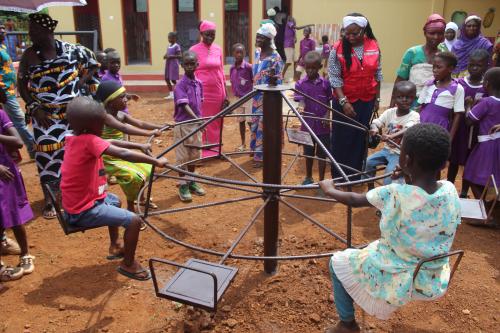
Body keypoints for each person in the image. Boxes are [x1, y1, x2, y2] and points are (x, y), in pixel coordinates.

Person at [320, 123, 461, 333]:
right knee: (371, 246)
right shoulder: (450, 190)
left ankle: (347, 324)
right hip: (431, 271)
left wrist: (330, 190)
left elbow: (355, 199)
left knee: (337, 262)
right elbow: (420, 197)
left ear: (406, 160)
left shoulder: (395, 193)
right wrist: (407, 176)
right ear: (443, 163)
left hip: (399, 270)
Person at [61, 96, 169, 280]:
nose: (104, 128)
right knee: (134, 221)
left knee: (115, 201)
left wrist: (140, 145)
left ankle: (115, 245)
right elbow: (123, 153)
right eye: (101, 125)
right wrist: (155, 161)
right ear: (91, 126)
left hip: (77, 203)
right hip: (84, 210)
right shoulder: (89, 141)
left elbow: (114, 143)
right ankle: (128, 265)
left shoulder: (73, 138)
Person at [18, 13, 99, 219]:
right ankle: (50, 199)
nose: (30, 34)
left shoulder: (72, 50)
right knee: (47, 158)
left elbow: (93, 64)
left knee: (76, 156)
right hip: (45, 116)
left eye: (34, 30)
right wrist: (35, 107)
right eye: (29, 30)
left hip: (73, 116)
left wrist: (82, 82)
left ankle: (79, 193)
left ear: (48, 31)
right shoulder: (29, 56)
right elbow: (22, 86)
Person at [95, 80, 165, 214]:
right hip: (108, 156)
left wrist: (160, 126)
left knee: (149, 169)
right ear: (110, 101)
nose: (126, 99)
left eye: (126, 95)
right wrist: (150, 133)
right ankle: (131, 207)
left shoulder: (121, 114)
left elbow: (141, 123)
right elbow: (124, 128)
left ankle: (141, 198)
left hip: (121, 152)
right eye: (122, 97)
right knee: (134, 177)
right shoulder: (105, 116)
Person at [328, 13, 382, 180]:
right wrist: (344, 101)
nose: (350, 37)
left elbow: (378, 74)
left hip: (366, 100)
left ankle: (356, 175)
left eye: (355, 33)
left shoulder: (374, 45)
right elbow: (334, 77)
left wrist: (377, 99)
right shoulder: (336, 49)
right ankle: (340, 176)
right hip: (344, 101)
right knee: (342, 138)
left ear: (363, 30)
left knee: (360, 137)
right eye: (346, 33)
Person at [0, 99, 35, 284]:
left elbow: (18, 141)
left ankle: (25, 253)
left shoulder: (1, 114)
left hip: (7, 173)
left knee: (14, 214)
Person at [450, 49, 489, 197]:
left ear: (486, 66)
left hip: (477, 130)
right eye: (471, 65)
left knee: (469, 161)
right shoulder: (460, 83)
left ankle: (464, 192)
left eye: (478, 65)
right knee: (454, 159)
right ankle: (450, 188)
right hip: (460, 128)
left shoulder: (487, 86)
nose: (474, 68)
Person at [365, 81, 420, 186]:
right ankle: (370, 187)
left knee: (388, 179)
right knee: (368, 162)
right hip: (386, 150)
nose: (404, 100)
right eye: (400, 97)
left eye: (408, 97)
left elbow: (409, 129)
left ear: (413, 98)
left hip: (400, 153)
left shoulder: (414, 116)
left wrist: (391, 136)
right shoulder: (389, 112)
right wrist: (374, 128)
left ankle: (389, 195)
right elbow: (377, 122)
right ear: (394, 97)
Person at [190, 20, 229, 158]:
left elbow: (221, 72)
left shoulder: (218, 49)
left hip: (218, 91)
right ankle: (204, 151)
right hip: (202, 92)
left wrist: (226, 94)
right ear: (201, 34)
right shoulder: (193, 50)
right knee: (203, 120)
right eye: (207, 34)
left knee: (217, 120)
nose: (210, 37)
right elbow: (191, 73)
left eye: (213, 34)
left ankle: (216, 150)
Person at [294, 51, 331, 188]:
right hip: (307, 127)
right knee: (308, 154)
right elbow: (301, 101)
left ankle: (321, 181)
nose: (310, 71)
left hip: (323, 127)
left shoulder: (325, 84)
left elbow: (328, 103)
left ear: (319, 67)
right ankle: (308, 177)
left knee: (321, 154)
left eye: (313, 68)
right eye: (307, 68)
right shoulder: (300, 84)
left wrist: (327, 115)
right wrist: (300, 107)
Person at [391, 14, 446, 105]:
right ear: (425, 33)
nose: (436, 37)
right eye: (432, 33)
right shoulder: (412, 53)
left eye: (440, 33)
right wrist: (392, 103)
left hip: (434, 103)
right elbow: (400, 79)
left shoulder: (444, 55)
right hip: (411, 103)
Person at [463, 67, 500, 202]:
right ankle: (490, 207)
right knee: (495, 176)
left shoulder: (487, 102)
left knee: (471, 174)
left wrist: (468, 106)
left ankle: (483, 207)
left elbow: (469, 121)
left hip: (487, 145)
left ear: (486, 84)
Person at [174, 51, 206, 202]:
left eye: (192, 63)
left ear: (197, 65)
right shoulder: (180, 85)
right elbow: (184, 105)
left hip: (196, 124)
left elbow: (200, 102)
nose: (189, 66)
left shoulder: (199, 83)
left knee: (194, 155)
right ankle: (183, 185)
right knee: (182, 157)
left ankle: (192, 181)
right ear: (182, 66)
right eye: (186, 64)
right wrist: (198, 120)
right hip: (183, 125)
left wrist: (199, 121)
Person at [0, 21, 35, 159]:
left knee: (13, 122)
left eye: (3, 28)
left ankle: (22, 151)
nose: (4, 31)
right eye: (0, 29)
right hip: (4, 93)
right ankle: (34, 148)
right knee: (20, 120)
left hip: (10, 91)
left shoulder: (2, 46)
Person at [251, 23, 284, 166]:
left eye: (261, 37)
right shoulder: (257, 52)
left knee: (265, 126)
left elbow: (279, 82)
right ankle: (255, 149)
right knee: (255, 124)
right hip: (255, 96)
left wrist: (273, 80)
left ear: (269, 39)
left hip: (268, 99)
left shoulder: (275, 58)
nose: (257, 40)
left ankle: (261, 156)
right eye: (257, 36)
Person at [418, 52, 464, 146]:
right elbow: (420, 107)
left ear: (451, 68)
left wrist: (450, 139)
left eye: (438, 67)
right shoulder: (429, 84)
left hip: (440, 127)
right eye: (433, 67)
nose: (434, 70)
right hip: (422, 124)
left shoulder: (457, 89)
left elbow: (458, 115)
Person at [229, 43, 253, 152]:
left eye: (241, 52)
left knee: (250, 121)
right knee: (241, 121)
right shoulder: (232, 68)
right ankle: (243, 144)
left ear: (245, 53)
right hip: (238, 99)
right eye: (236, 52)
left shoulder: (248, 67)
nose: (239, 54)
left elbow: (254, 80)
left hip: (248, 98)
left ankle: (254, 145)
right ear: (233, 53)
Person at [282, 16, 313, 81]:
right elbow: (298, 28)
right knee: (289, 61)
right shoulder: (289, 23)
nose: (294, 22)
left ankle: (295, 77)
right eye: (293, 20)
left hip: (292, 46)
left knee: (296, 61)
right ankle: (281, 75)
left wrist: (295, 38)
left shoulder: (292, 29)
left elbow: (295, 34)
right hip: (288, 45)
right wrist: (307, 25)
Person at [163, 32, 181, 100]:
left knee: (173, 80)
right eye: (168, 37)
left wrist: (171, 56)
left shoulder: (177, 46)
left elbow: (180, 56)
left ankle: (179, 92)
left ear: (174, 38)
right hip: (168, 64)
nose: (169, 39)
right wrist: (165, 55)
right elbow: (167, 53)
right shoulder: (169, 45)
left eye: (170, 37)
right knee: (166, 79)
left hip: (173, 64)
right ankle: (171, 94)